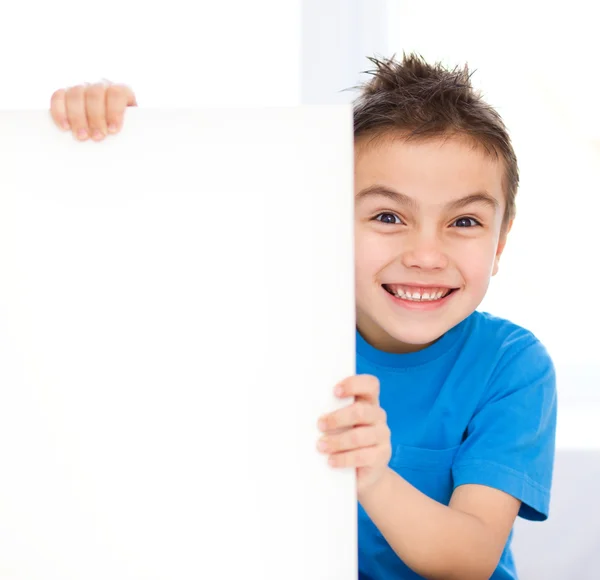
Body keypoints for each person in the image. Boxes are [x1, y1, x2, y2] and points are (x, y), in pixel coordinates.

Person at [49, 54, 557, 580]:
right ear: (326, 217)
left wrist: (374, 476)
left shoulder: (512, 365)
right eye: (388, 216)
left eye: (465, 221)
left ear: (500, 242)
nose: (426, 255)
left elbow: (469, 558)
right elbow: (149, 268)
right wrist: (115, 141)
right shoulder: (279, 326)